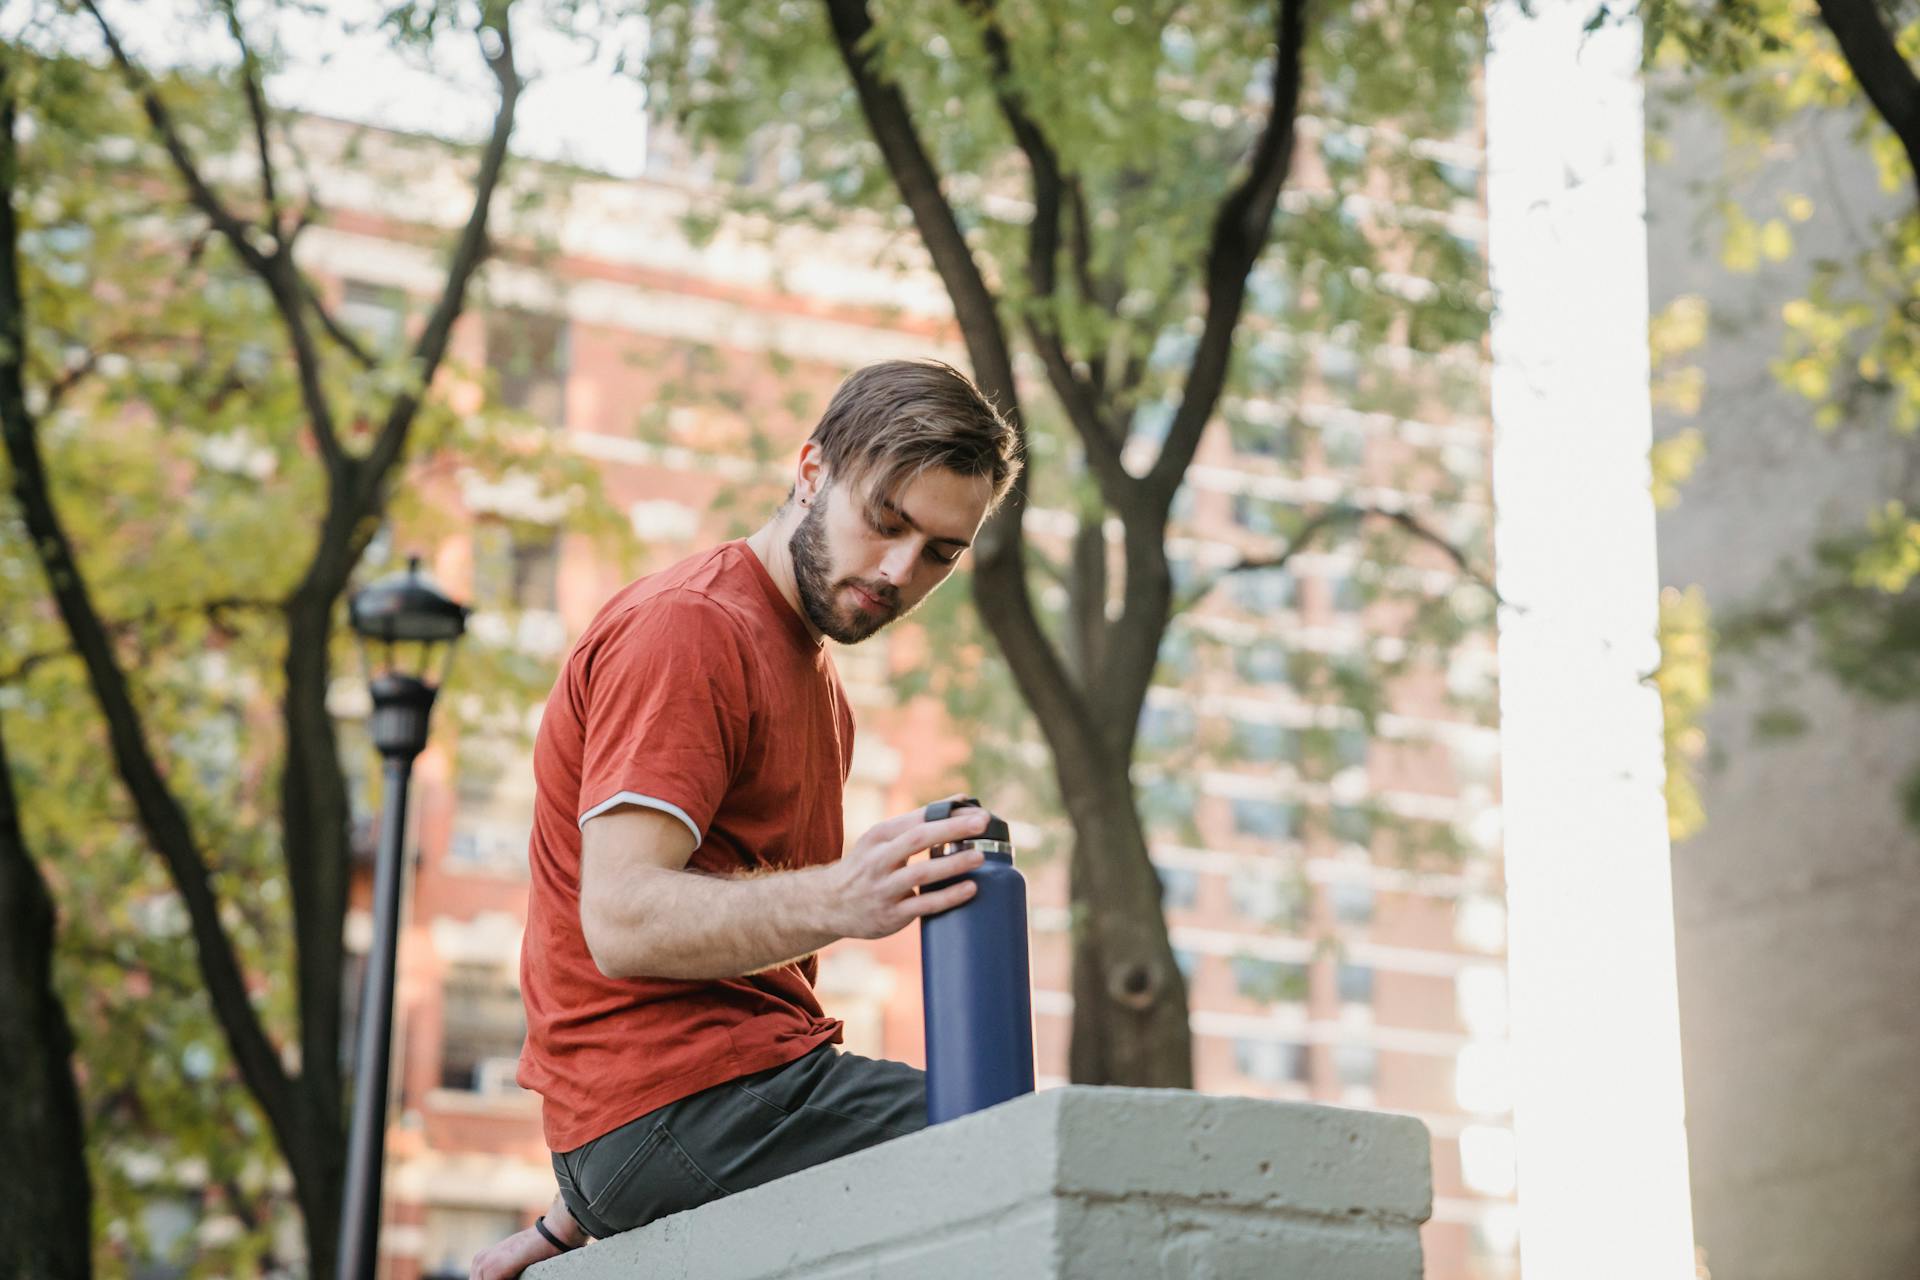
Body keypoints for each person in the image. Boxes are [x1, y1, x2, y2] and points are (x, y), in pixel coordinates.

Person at [468, 359, 1022, 1278]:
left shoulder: (819, 688)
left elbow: (704, 988)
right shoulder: (690, 630)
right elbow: (622, 921)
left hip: (691, 1113)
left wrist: (569, 1218)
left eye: (939, 552)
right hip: (685, 1108)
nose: (899, 570)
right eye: (886, 522)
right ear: (811, 472)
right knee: (1012, 1146)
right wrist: (844, 898)